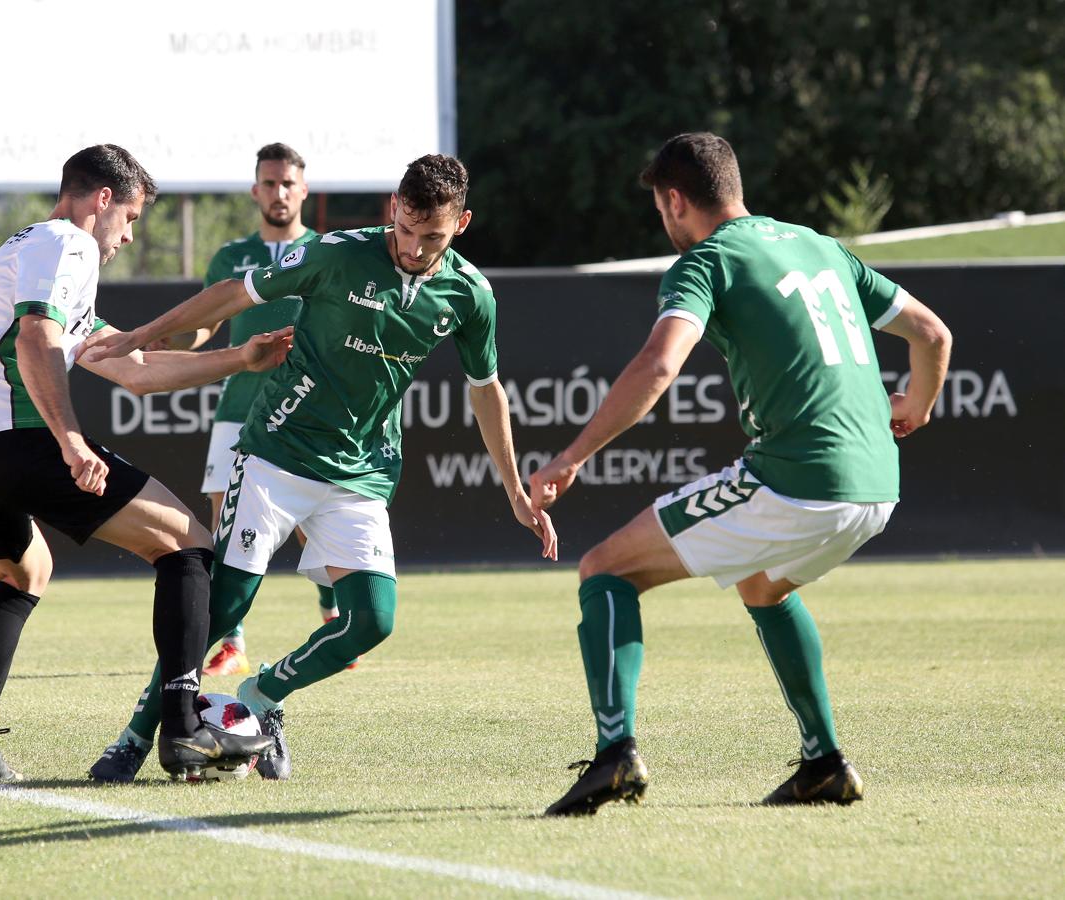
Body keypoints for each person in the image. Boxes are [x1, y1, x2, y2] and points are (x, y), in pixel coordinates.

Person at [82, 153, 557, 783]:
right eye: (407, 229)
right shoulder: (339, 253)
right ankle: (135, 737)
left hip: (360, 472)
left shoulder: (470, 294)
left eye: (432, 237)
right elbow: (234, 292)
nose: (414, 248)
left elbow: (486, 388)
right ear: (394, 207)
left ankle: (260, 698)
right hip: (277, 452)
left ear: (462, 223)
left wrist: (514, 489)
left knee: (374, 621)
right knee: (223, 608)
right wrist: (140, 334)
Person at [530, 132, 952, 816]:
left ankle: (615, 756)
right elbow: (933, 335)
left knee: (605, 569)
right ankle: (824, 764)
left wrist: (570, 458)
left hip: (798, 479)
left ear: (675, 201)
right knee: (763, 587)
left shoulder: (707, 260)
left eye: (660, 209)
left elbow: (659, 366)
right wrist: (916, 405)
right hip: (878, 486)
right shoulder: (819, 245)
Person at [0, 144, 285, 783]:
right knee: (189, 547)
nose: (126, 236)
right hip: (20, 442)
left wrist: (239, 360)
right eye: (131, 218)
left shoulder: (24, 250)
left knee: (23, 574)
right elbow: (38, 336)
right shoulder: (67, 243)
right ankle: (182, 728)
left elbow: (131, 367)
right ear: (102, 200)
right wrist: (70, 439)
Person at [165, 142, 336, 680]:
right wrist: (176, 339)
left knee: (313, 522)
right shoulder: (229, 257)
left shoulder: (327, 252)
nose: (278, 192)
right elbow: (205, 326)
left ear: (303, 190)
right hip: (239, 409)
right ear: (255, 189)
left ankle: (334, 616)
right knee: (225, 518)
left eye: (288, 183)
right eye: (269, 182)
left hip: (305, 406)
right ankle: (230, 640)